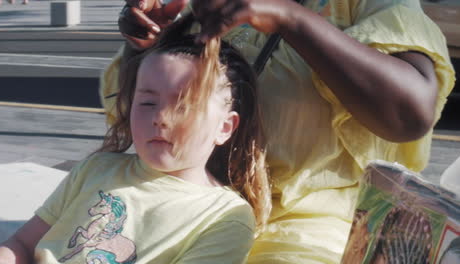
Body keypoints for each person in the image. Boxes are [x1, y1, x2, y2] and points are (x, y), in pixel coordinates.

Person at [103, 0, 456, 263]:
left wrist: (290, 19)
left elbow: (408, 114)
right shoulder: (204, 7)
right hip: (189, 210)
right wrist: (147, 50)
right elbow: (139, 116)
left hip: (304, 230)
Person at [0, 14, 271, 264]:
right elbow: (21, 244)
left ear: (225, 127)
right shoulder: (95, 169)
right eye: (148, 103)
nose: (161, 117)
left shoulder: (225, 217)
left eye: (184, 105)